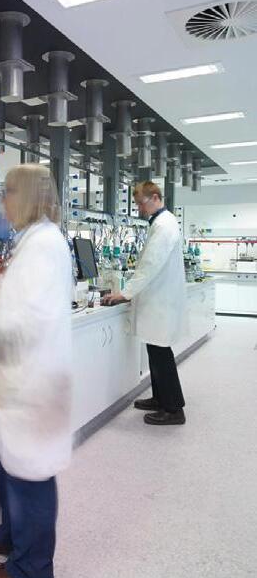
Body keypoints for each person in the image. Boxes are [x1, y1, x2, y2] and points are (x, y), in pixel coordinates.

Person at [0, 164, 73, 578]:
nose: (3, 201)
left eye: (9, 192)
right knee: (13, 464)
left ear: (29, 196)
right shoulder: (36, 240)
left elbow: (23, 317)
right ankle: (10, 534)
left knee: (31, 474)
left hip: (34, 380)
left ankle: (32, 570)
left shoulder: (43, 246)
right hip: (27, 376)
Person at [105, 181, 187, 426]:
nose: (140, 208)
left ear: (155, 197)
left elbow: (150, 264)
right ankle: (160, 399)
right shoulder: (161, 222)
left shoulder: (164, 225)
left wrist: (125, 293)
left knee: (161, 354)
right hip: (157, 300)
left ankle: (174, 409)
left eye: (142, 203)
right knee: (155, 352)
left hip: (161, 301)